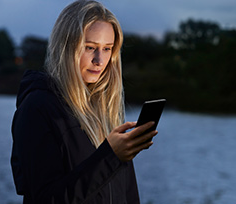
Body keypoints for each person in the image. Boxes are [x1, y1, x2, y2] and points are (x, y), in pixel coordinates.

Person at [10, 0, 158, 203]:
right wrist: (110, 157)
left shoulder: (103, 108)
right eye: (90, 47)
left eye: (107, 49)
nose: (99, 60)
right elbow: (45, 199)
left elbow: (128, 193)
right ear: (66, 47)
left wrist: (115, 155)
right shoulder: (37, 108)